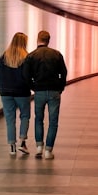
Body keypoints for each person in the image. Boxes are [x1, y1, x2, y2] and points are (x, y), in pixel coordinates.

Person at [21, 30, 67, 159]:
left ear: (37, 39)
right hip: (54, 91)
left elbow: (25, 75)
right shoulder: (57, 54)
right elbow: (63, 73)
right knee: (53, 121)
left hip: (39, 92)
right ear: (48, 40)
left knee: (38, 119)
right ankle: (48, 150)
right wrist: (60, 87)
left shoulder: (31, 56)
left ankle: (39, 147)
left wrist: (33, 87)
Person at [0, 32, 32, 156]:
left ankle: (12, 146)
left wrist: (0, 90)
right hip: (22, 92)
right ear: (24, 43)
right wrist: (31, 87)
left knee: (10, 119)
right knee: (25, 116)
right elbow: (28, 76)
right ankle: (22, 142)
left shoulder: (3, 57)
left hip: (5, 92)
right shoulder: (26, 58)